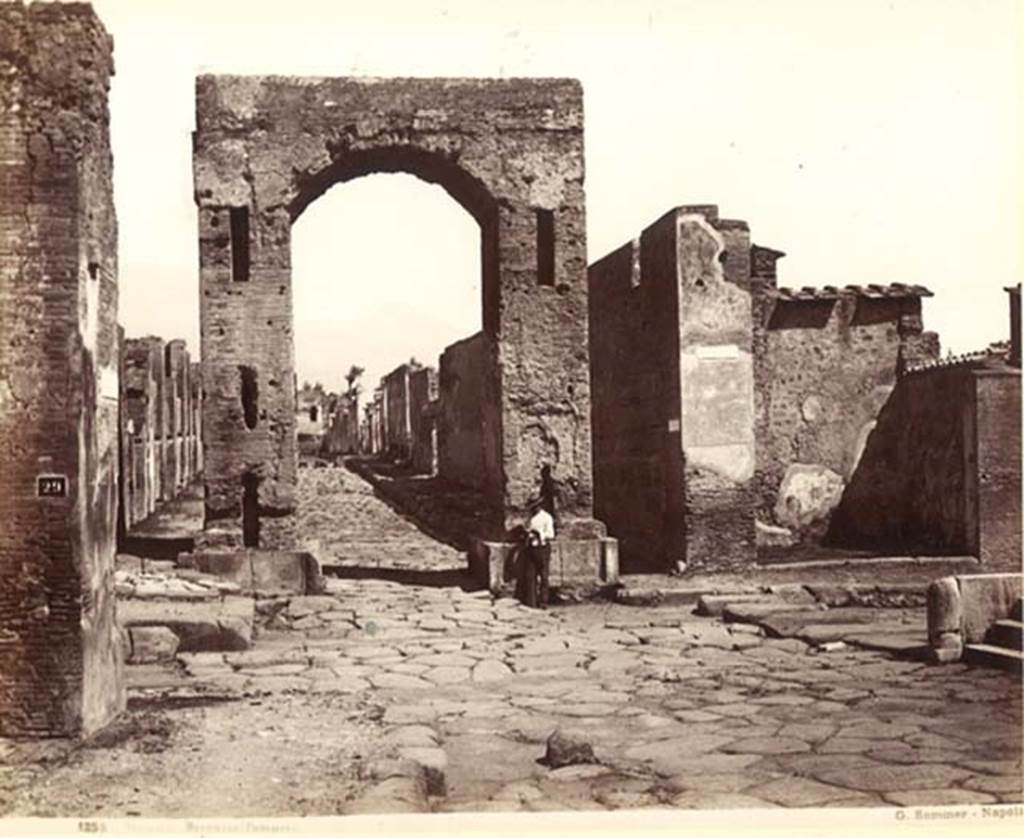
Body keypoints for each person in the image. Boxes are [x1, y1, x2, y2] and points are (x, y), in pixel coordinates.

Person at [520, 496, 554, 608]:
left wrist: (539, 533)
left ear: (539, 506)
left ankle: (543, 601)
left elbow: (550, 534)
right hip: (531, 548)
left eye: (535, 507)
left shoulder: (546, 518)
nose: (533, 510)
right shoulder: (530, 519)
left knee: (544, 576)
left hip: (542, 548)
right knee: (530, 576)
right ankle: (531, 601)